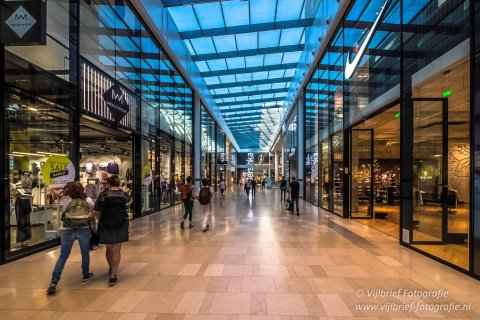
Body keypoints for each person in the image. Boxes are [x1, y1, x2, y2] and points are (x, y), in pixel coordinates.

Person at [47, 182, 95, 295]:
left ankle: (54, 281)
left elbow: (52, 188)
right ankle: (85, 275)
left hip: (68, 229)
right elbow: (92, 210)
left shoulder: (64, 198)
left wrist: (63, 188)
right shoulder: (88, 200)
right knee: (85, 253)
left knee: (63, 256)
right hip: (83, 229)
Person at [95, 175, 131, 287]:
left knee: (109, 247)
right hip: (121, 224)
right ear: (119, 184)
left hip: (106, 224)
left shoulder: (103, 195)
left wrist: (101, 218)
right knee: (117, 249)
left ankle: (111, 267)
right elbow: (129, 203)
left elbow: (96, 211)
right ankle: (113, 275)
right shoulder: (124, 195)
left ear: (109, 184)